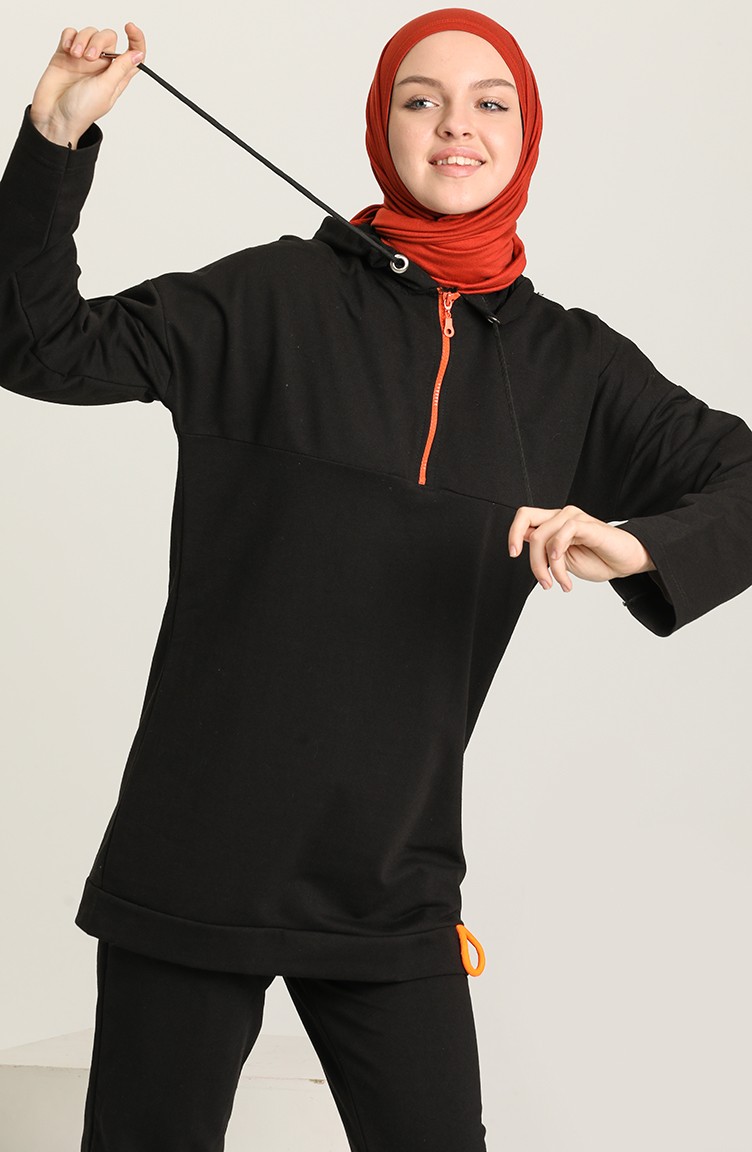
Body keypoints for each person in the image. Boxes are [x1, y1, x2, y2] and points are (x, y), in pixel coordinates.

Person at [2, 9, 751, 1151]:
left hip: (392, 880)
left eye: (489, 102)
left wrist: (640, 544)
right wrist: (54, 136)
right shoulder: (268, 299)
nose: (456, 125)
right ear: (381, 126)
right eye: (421, 98)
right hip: (194, 863)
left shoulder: (573, 367)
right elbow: (38, 343)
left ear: (526, 134)